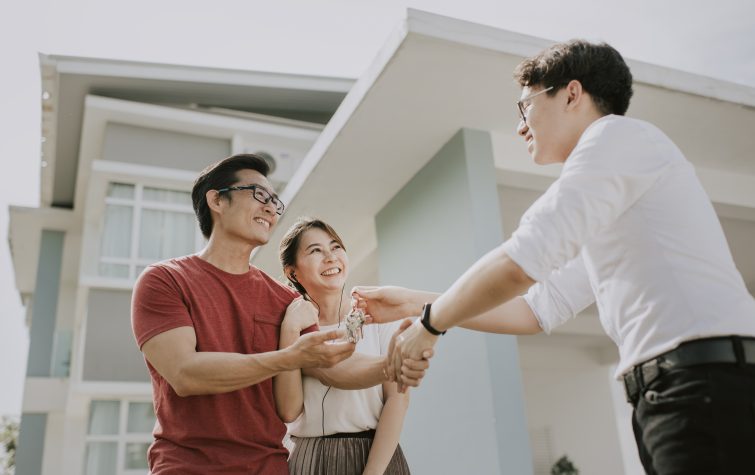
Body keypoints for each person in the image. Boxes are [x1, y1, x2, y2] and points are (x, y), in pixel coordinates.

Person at [353, 40, 755, 474]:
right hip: (674, 392)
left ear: (572, 93)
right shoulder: (612, 192)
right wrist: (415, 303)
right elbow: (536, 309)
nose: (521, 127)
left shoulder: (616, 139)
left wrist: (430, 327)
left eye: (525, 107)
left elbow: (521, 262)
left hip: (702, 385)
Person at [131, 154, 361, 474]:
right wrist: (287, 357)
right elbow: (185, 374)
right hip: (187, 467)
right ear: (217, 200)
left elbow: (320, 383)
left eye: (274, 201)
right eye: (258, 194)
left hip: (269, 467)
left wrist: (417, 336)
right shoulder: (164, 280)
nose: (270, 208)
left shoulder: (284, 299)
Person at [275, 217, 411, 474]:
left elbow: (397, 399)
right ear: (292, 272)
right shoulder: (289, 324)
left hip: (375, 455)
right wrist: (290, 330)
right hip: (309, 458)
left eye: (335, 246)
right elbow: (289, 410)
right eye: (316, 250)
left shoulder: (378, 314)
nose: (330, 257)